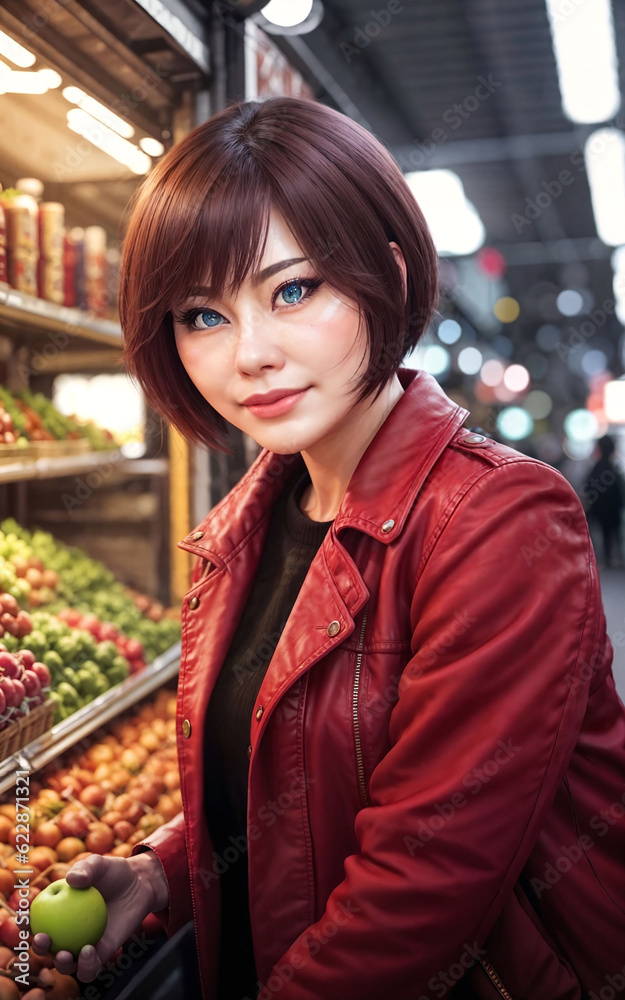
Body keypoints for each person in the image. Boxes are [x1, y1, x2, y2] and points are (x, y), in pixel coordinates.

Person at [34, 97, 625, 1000]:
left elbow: (421, 886)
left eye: (293, 290)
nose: (251, 354)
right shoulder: (246, 526)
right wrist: (166, 872)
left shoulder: (500, 521)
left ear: (384, 274)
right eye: (203, 315)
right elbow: (295, 790)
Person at [581, 434, 625, 568]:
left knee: (602, 535)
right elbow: (620, 490)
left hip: (599, 509)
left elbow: (588, 488)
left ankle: (605, 558)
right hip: (613, 509)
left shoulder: (596, 468)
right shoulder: (614, 469)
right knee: (615, 534)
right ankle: (616, 557)